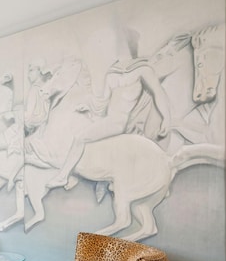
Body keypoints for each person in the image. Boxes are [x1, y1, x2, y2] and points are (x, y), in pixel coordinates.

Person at [46, 55, 172, 189]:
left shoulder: (143, 70)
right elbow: (104, 101)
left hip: (117, 123)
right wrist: (88, 105)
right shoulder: (113, 72)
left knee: (80, 138)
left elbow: (158, 92)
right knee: (78, 126)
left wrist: (166, 118)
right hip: (108, 119)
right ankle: (76, 175)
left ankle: (63, 176)